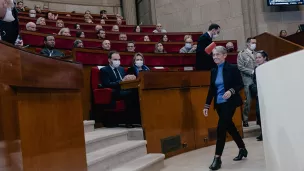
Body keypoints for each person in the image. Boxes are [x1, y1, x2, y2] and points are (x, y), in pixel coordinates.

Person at [203, 46, 247, 170]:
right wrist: (207, 105)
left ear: (224, 55)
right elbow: (212, 89)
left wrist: (231, 91)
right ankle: (242, 148)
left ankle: (217, 158)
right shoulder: (213, 71)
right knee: (230, 126)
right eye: (213, 55)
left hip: (230, 102)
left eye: (217, 54)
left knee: (221, 129)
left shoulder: (232, 68)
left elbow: (240, 84)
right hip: (219, 104)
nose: (215, 57)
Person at [100, 51, 141, 127]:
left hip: (124, 90)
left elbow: (125, 81)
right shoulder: (104, 70)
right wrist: (121, 81)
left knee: (136, 91)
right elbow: (107, 84)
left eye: (118, 59)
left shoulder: (121, 69)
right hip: (114, 92)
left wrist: (130, 79)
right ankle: (129, 122)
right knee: (131, 94)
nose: (117, 61)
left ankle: (138, 119)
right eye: (115, 59)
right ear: (109, 60)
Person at [237, 37, 257, 127]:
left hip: (256, 80)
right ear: (248, 44)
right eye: (253, 42)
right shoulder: (242, 54)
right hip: (247, 80)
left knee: (259, 100)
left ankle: (259, 119)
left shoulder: (256, 54)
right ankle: (245, 119)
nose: (254, 44)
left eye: (255, 43)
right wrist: (251, 71)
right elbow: (240, 67)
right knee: (248, 101)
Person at [252, 50, 268, 141]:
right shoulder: (256, 69)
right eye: (256, 58)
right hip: (259, 94)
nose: (257, 59)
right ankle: (263, 131)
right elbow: (254, 81)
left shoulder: (269, 67)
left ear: (264, 58)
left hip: (268, 94)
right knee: (258, 113)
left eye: (259, 57)